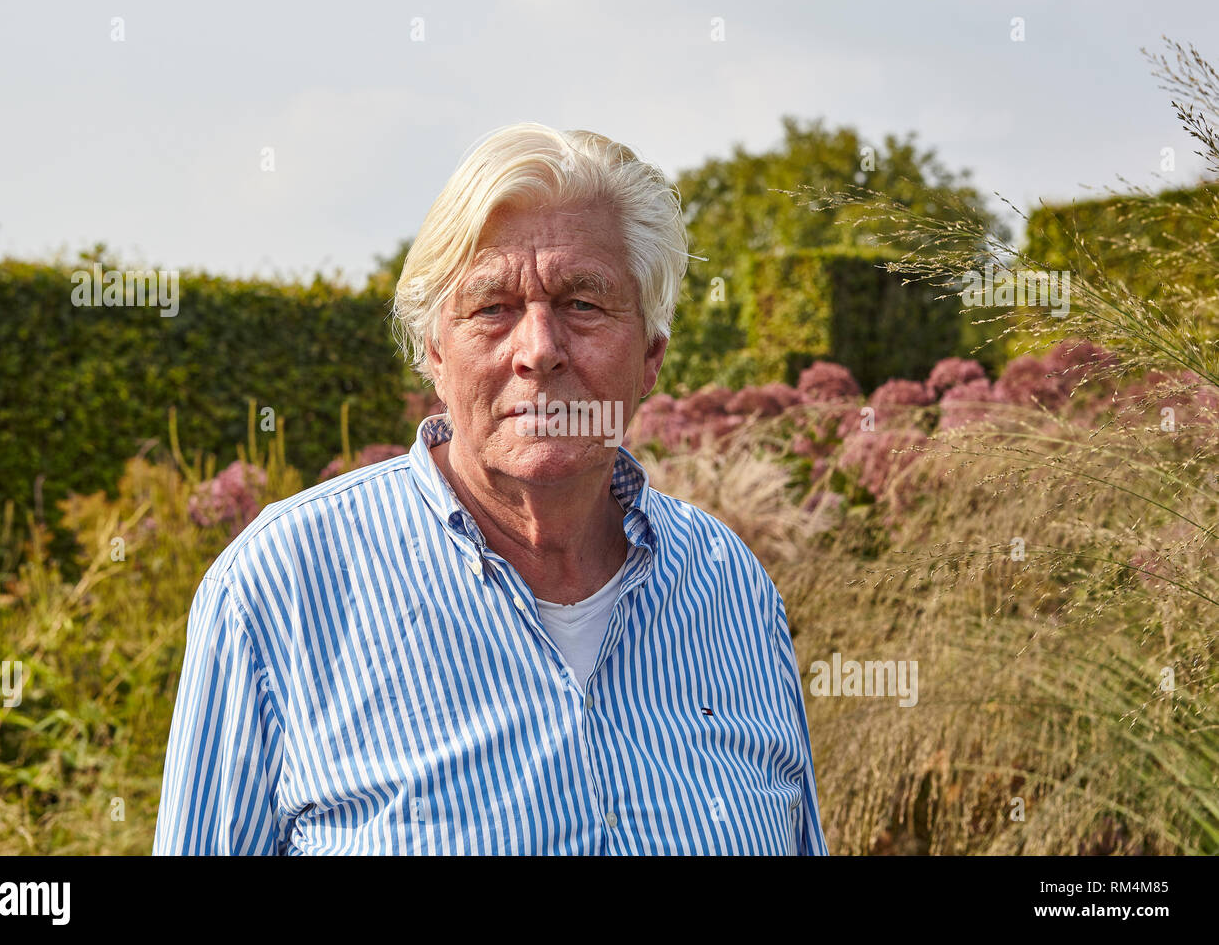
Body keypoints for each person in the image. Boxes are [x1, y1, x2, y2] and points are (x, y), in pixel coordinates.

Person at [152, 122, 827, 855]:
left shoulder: (730, 589)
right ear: (436, 353)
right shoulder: (277, 589)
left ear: (651, 358)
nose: (539, 351)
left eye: (583, 303)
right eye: (492, 308)